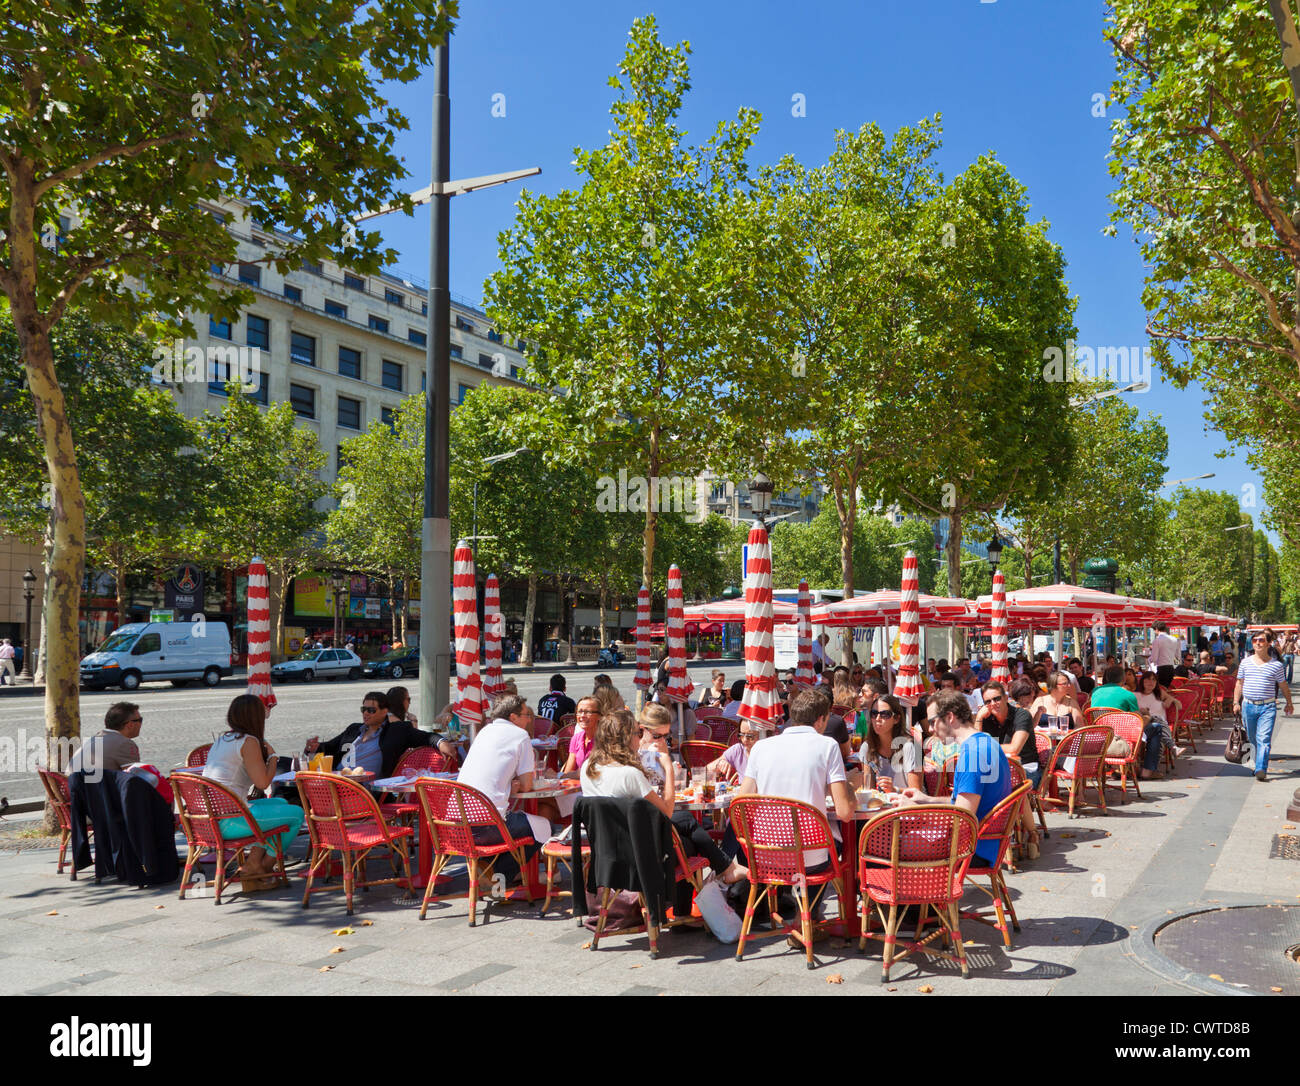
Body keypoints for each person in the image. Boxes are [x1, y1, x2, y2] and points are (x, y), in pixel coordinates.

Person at [738, 688, 856, 872]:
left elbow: (742, 803)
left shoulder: (760, 747)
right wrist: (849, 785)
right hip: (810, 857)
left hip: (764, 854)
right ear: (820, 720)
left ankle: (788, 898)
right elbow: (845, 812)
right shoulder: (828, 746)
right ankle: (807, 900)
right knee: (840, 844)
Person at [629, 707, 748, 884]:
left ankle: (724, 872)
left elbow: (670, 791)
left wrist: (670, 769)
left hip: (653, 820)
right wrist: (666, 766)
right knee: (687, 824)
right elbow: (662, 805)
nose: (662, 741)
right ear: (641, 729)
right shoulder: (638, 755)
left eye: (666, 736)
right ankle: (726, 869)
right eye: (657, 736)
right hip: (646, 825)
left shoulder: (656, 751)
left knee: (690, 836)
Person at [897, 690, 1015, 866]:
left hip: (970, 848)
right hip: (987, 843)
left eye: (932, 721)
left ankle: (912, 891)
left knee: (881, 845)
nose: (929, 729)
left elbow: (962, 817)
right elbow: (964, 803)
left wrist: (914, 810)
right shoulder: (987, 741)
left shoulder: (972, 754)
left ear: (950, 717)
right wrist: (927, 799)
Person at [202, 694, 305, 888]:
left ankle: (253, 863)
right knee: (297, 814)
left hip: (211, 819)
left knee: (281, 804)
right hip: (229, 821)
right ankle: (262, 867)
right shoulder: (248, 741)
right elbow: (264, 783)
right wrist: (273, 758)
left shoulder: (223, 739)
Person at [456, 693, 551, 882]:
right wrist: (513, 785)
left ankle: (490, 871)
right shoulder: (520, 735)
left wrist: (507, 785)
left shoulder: (484, 731)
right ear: (513, 717)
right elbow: (527, 785)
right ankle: (498, 876)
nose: (529, 719)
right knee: (545, 827)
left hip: (455, 825)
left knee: (519, 824)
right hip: (487, 825)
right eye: (526, 715)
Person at [305, 691, 433, 779]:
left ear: (385, 711)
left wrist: (442, 743)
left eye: (371, 710)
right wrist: (314, 747)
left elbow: (427, 737)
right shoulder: (354, 729)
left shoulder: (396, 730)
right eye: (363, 709)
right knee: (288, 767)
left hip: (364, 792)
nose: (366, 713)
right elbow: (329, 747)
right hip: (337, 781)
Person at [1234, 631, 1294, 782]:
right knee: (1253, 738)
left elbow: (1283, 685)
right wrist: (1235, 702)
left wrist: (1289, 702)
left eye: (1261, 640)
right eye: (1255, 640)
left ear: (1268, 643)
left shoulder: (1276, 665)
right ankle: (1256, 763)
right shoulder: (1245, 662)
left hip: (1268, 706)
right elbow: (1239, 683)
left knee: (1264, 739)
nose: (1258, 643)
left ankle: (1261, 768)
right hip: (1248, 705)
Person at [1090, 664, 1165, 781]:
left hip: (1101, 733)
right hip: (1122, 735)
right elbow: (1139, 722)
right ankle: (1148, 770)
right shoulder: (1128, 694)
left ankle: (1118, 768)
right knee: (1156, 727)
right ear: (1123, 679)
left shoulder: (1095, 691)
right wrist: (1148, 716)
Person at [976, 680, 1041, 787]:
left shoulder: (1022, 715)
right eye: (988, 702)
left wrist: (984, 748)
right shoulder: (986, 718)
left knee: (985, 784)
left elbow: (1014, 749)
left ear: (1006, 698)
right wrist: (979, 718)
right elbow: (975, 746)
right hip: (998, 767)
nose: (993, 704)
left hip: (1024, 769)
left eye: (996, 699)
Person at [862, 693, 922, 791]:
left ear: (896, 719)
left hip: (908, 805)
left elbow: (917, 792)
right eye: (874, 714)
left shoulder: (913, 747)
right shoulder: (867, 747)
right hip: (880, 804)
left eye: (885, 714)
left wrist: (895, 790)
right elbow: (868, 789)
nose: (877, 719)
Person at [68, 702, 143, 777]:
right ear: (130, 725)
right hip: (94, 787)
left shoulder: (94, 738)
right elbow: (136, 778)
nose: (141, 724)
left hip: (75, 785)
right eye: (140, 720)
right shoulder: (124, 744)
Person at [561, 695, 602, 773]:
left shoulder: (605, 740)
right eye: (579, 712)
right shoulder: (576, 738)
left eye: (588, 712)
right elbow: (568, 771)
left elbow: (592, 772)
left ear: (599, 716)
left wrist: (557, 776)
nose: (582, 716)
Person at [1148, 622, 1179, 687]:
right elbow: (1177, 655)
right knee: (1166, 688)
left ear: (1156, 629)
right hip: (1171, 668)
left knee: (1160, 690)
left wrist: (1148, 659)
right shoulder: (1174, 639)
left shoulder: (1157, 640)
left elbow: (1154, 658)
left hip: (1162, 669)